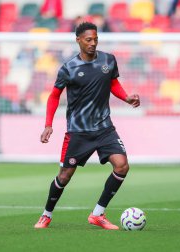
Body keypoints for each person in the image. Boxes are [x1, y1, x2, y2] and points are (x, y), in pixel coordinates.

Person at [34, 22, 140, 230]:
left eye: (96, 39)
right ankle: (46, 215)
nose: (93, 43)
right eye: (88, 40)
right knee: (64, 176)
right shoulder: (68, 68)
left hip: (104, 128)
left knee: (122, 165)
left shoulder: (108, 60)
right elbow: (54, 96)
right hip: (78, 131)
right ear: (78, 40)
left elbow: (112, 83)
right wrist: (48, 124)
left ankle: (97, 214)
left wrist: (126, 97)